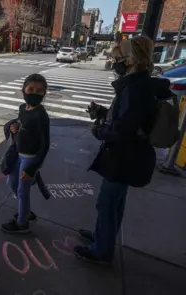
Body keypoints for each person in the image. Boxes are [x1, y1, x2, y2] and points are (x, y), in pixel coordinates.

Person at [74, 36, 174, 263]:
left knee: (107, 204)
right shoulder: (139, 84)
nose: (114, 61)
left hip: (124, 156)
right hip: (131, 154)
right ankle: (103, 239)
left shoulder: (135, 88)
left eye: (117, 57)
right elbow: (130, 119)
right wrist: (102, 112)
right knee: (115, 202)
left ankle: (101, 250)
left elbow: (123, 129)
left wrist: (98, 130)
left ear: (131, 59)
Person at [2, 74, 50, 234]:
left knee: (23, 191)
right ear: (23, 90)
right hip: (18, 153)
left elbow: (45, 145)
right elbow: (20, 123)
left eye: (39, 91)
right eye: (31, 89)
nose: (34, 94)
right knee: (11, 183)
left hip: (30, 158)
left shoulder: (41, 115)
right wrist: (14, 126)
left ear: (44, 94)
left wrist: (32, 169)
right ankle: (26, 212)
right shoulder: (23, 108)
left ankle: (22, 223)